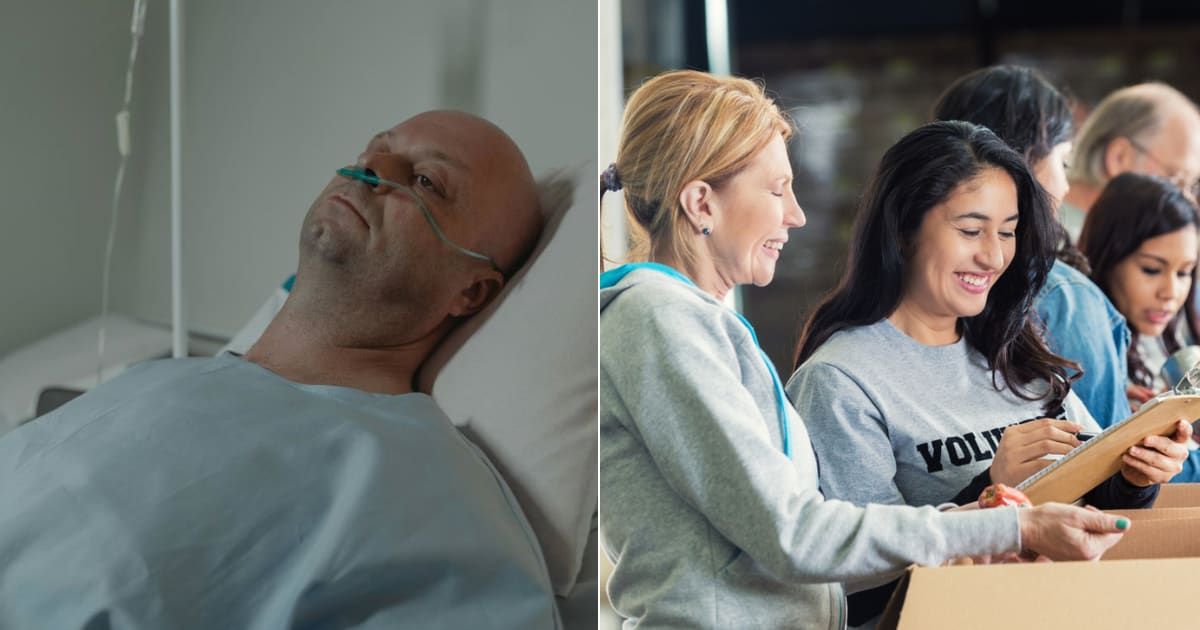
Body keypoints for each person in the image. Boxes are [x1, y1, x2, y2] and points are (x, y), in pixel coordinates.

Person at [600, 69, 1128, 630]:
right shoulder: (658, 320)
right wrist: (1010, 526)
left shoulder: (690, 321)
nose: (796, 215)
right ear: (701, 204)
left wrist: (983, 517)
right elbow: (794, 533)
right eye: (777, 189)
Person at [0, 111, 560, 629]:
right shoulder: (160, 380)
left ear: (471, 290)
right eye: (376, 149)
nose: (372, 169)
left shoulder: (437, 502)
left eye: (426, 182)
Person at [787, 120, 1190, 628]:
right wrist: (989, 492)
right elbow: (857, 587)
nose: (994, 255)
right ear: (903, 231)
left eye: (1008, 232)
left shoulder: (1015, 346)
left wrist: (1134, 474)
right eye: (971, 231)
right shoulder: (842, 381)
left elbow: (1092, 503)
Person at [931, 65, 1130, 428]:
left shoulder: (917, 290)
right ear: (1024, 161)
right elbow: (1113, 457)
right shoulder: (1063, 295)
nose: (1066, 186)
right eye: (1063, 162)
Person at [1079, 173, 1200, 410]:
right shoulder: (1078, 352)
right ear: (1108, 259)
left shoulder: (1168, 343)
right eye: (1152, 269)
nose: (1170, 292)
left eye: (1184, 272)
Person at [1061, 82, 1200, 239]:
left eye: (1192, 186)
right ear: (1119, 158)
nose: (1189, 202)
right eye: (1177, 179)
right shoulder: (1065, 247)